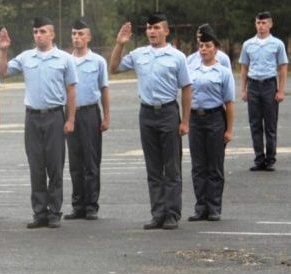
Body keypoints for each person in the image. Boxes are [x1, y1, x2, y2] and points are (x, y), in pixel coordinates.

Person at [109, 13, 191, 230]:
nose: (152, 32)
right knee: (153, 168)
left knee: (171, 167)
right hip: (147, 114)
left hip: (168, 112)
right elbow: (114, 68)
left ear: (166, 30)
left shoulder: (177, 57)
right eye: (148, 28)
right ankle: (158, 213)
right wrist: (119, 44)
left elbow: (186, 88)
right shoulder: (139, 54)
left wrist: (185, 121)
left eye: (156, 28)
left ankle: (172, 213)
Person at [0, 17, 78, 229]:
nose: (38, 35)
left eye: (42, 31)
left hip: (54, 116)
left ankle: (54, 212)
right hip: (32, 117)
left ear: (52, 34)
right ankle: (39, 212)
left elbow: (71, 90)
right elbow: (2, 73)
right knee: (36, 167)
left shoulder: (64, 59)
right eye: (35, 31)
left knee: (54, 167)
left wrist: (70, 119)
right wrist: (4, 50)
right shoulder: (26, 57)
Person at [64, 19, 110, 221]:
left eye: (81, 34)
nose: (77, 37)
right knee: (75, 162)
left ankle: (91, 205)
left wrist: (106, 115)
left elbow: (104, 89)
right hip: (70, 114)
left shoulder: (98, 61)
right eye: (74, 33)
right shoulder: (65, 60)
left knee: (91, 162)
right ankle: (78, 205)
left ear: (88, 36)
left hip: (90, 113)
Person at [187, 30, 236, 222]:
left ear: (216, 48)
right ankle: (201, 207)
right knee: (198, 166)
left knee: (214, 165)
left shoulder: (223, 72)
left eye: (208, 46)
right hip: (195, 119)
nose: (204, 49)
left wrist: (229, 129)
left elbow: (230, 103)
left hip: (215, 117)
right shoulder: (192, 70)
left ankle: (214, 207)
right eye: (201, 46)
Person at [239, 11, 288, 172]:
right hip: (253, 85)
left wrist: (281, 91)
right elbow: (244, 67)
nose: (261, 26)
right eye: (258, 23)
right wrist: (243, 90)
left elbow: (282, 67)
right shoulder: (248, 44)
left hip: (269, 85)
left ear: (270, 24)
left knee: (270, 125)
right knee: (255, 124)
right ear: (255, 24)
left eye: (264, 23)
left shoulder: (277, 44)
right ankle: (259, 158)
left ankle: (270, 159)